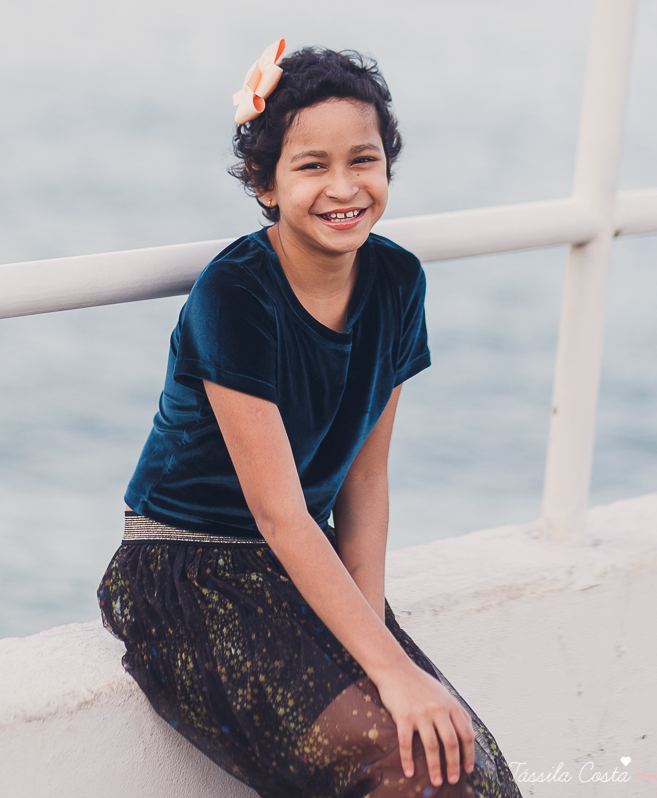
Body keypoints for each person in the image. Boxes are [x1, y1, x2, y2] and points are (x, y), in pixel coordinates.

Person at [98, 42, 521, 798]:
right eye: (311, 166)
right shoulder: (235, 295)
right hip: (187, 570)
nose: (343, 187)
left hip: (296, 561)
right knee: (398, 764)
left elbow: (366, 480)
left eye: (363, 160)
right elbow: (280, 513)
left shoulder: (398, 281)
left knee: (464, 764)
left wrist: (380, 641)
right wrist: (390, 673)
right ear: (265, 183)